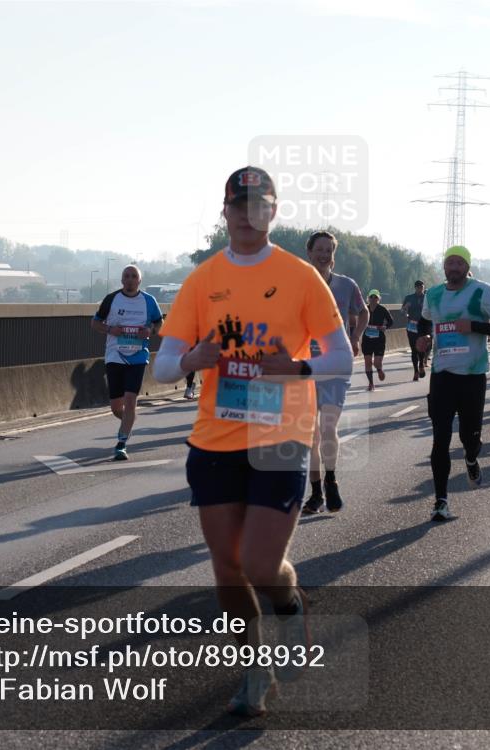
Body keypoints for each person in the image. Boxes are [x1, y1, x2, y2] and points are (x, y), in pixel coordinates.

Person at [151, 166, 352, 716]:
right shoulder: (202, 280)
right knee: (227, 568)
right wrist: (190, 360)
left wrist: (297, 368)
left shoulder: (300, 277)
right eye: (237, 205)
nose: (246, 214)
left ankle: (287, 601)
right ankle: (255, 668)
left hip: (280, 435)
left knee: (261, 565)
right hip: (215, 439)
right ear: (225, 212)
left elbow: (341, 355)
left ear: (273, 212)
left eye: (258, 205)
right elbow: (163, 366)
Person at [415, 245, 490, 522]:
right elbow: (424, 323)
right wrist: (424, 339)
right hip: (442, 376)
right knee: (440, 440)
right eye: (450, 263)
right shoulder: (433, 294)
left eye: (459, 263)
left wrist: (474, 326)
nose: (454, 267)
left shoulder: (482, 291)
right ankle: (441, 501)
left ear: (467, 267)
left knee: (470, 438)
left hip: (472, 377)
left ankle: (470, 458)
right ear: (444, 267)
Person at [301, 230, 368, 515]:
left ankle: (331, 480)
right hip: (305, 366)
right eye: (319, 249)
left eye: (329, 250)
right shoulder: (297, 284)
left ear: (333, 255)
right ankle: (316, 493)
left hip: (336, 365)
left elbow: (363, 312)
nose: (324, 254)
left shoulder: (346, 285)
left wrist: (356, 337)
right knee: (310, 435)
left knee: (328, 427)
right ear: (309, 252)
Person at [91, 265, 163, 460]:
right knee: (116, 407)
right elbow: (95, 323)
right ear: (122, 280)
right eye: (126, 276)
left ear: (139, 280)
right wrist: (110, 330)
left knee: (130, 401)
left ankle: (121, 443)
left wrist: (150, 331)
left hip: (138, 356)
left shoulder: (149, 301)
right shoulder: (111, 299)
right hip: (115, 356)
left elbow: (159, 322)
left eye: (133, 276)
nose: (130, 279)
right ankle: (128, 423)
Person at [362, 290, 393, 391]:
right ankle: (371, 383)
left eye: (375, 297)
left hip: (379, 339)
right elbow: (359, 320)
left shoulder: (382, 309)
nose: (373, 299)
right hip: (367, 339)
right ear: (368, 298)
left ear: (378, 299)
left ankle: (379, 369)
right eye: (371, 297)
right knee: (367, 362)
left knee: (376, 363)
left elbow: (391, 321)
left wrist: (385, 327)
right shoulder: (364, 309)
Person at [401, 280, 431, 380]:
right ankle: (416, 371)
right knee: (414, 349)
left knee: (422, 347)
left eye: (421, 287)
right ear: (415, 288)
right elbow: (402, 311)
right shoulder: (409, 298)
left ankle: (421, 364)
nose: (420, 288)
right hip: (412, 326)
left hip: (423, 326)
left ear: (423, 287)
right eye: (418, 287)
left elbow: (432, 311)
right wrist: (405, 308)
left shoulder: (427, 298)